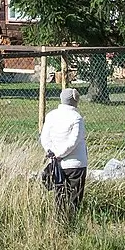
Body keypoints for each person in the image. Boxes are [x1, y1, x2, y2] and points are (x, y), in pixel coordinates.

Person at [39, 86, 88, 221]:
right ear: (76, 101)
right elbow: (74, 141)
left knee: (59, 194)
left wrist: (52, 154)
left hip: (55, 164)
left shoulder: (51, 115)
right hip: (75, 164)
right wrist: (61, 154)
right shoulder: (77, 118)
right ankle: (71, 222)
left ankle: (59, 221)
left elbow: (44, 138)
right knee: (74, 197)